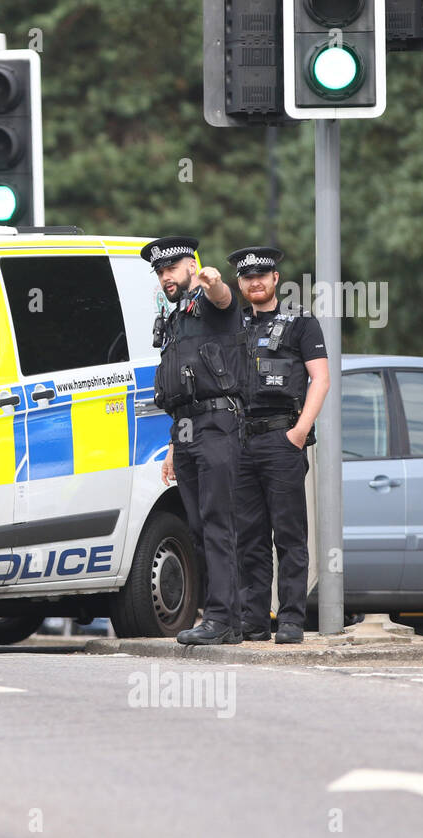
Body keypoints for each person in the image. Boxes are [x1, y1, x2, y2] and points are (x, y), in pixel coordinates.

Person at [146, 236, 245, 645]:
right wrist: (172, 446)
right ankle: (222, 619)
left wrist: (215, 283)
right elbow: (179, 388)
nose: (165, 276)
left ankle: (222, 618)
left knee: (218, 523)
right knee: (200, 527)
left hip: (217, 424)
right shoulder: (175, 320)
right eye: (159, 271)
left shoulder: (208, 302)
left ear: (191, 266)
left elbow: (225, 300)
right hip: (186, 430)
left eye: (171, 268)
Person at [228, 246, 329, 645]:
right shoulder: (232, 326)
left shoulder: (301, 323)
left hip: (282, 437)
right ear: (240, 283)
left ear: (274, 279)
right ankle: (253, 621)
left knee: (288, 535)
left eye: (262, 275)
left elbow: (320, 379)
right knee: (249, 537)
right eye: (247, 276)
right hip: (239, 441)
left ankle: (290, 619)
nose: (255, 281)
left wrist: (300, 432)